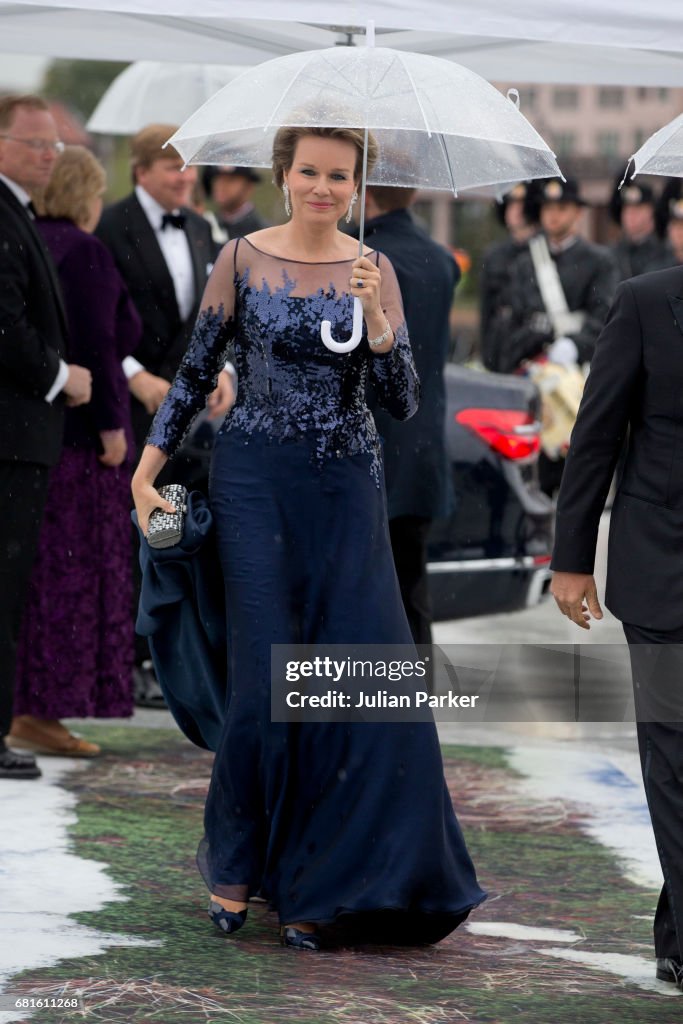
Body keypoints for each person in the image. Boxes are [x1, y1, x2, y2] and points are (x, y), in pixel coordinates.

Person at [132, 125, 485, 950]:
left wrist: (379, 321)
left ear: (357, 185)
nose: (322, 187)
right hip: (254, 481)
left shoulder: (377, 269)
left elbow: (399, 400)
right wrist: (146, 468)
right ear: (282, 175)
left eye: (338, 175)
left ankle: (317, 880)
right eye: (308, 172)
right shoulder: (243, 257)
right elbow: (194, 370)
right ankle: (238, 863)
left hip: (347, 486)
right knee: (263, 677)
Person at [550, 261, 683, 990]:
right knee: (675, 761)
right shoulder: (643, 303)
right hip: (663, 569)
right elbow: (595, 434)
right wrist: (571, 559)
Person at [8, 146, 142, 758]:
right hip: (82, 445)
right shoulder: (83, 251)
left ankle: (27, 705)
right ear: (84, 194)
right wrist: (115, 427)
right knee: (75, 581)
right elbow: (98, 347)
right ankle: (43, 708)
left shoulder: (31, 238)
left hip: (41, 441)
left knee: (37, 580)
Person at [96, 124, 235, 705]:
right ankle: (130, 656)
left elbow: (220, 317)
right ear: (141, 170)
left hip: (191, 412)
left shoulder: (204, 228)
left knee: (176, 527)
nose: (185, 178)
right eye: (173, 168)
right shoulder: (111, 225)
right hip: (128, 400)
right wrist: (136, 376)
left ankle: (171, 656)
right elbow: (94, 322)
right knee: (135, 526)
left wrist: (224, 371)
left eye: (189, 168)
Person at [0, 95, 92, 780]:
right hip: (9, 436)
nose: (50, 157)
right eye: (35, 144)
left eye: (54, 147)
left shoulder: (18, 213)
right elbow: (5, 327)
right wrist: (63, 376)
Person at [361, 184, 459, 651]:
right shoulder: (440, 259)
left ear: (365, 195)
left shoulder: (364, 260)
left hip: (372, 438)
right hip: (421, 442)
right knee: (410, 582)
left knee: (361, 585)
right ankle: (413, 696)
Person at [501, 178, 618, 495]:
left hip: (577, 373)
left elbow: (605, 317)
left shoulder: (599, 261)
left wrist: (574, 344)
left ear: (578, 213)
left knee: (574, 465)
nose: (553, 216)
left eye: (562, 208)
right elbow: (515, 319)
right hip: (534, 369)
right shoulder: (525, 261)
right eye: (548, 208)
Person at [480, 182, 540, 372]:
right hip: (501, 338)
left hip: (532, 339)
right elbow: (486, 308)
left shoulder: (543, 251)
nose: (515, 210)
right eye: (511, 204)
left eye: (521, 204)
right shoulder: (494, 255)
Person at [608, 177, 675, 280]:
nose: (631, 215)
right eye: (627, 209)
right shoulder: (611, 254)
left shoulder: (666, 254)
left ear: (652, 212)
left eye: (638, 209)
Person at [202, 165, 269, 243]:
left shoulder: (263, 233)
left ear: (248, 187)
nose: (221, 185)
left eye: (230, 180)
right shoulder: (206, 225)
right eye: (218, 178)